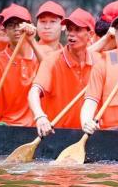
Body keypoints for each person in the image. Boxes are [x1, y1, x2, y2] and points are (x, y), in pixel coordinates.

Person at [28, 8, 97, 136]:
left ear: (91, 34)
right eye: (69, 29)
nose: (71, 34)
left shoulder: (99, 62)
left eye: (77, 29)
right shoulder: (51, 61)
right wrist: (39, 116)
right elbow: (33, 92)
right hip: (55, 133)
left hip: (89, 133)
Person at [0, 4, 41, 126]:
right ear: (5, 30)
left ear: (30, 26)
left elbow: (49, 69)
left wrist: (32, 40)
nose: (16, 29)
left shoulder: (39, 56)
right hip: (6, 126)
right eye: (11, 25)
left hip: (38, 126)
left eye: (20, 24)